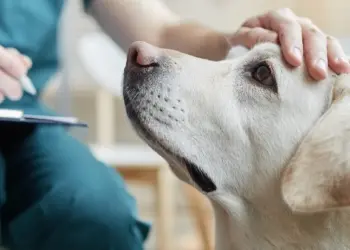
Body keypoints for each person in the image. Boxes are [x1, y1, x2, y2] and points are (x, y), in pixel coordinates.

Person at [0, 1, 348, 250]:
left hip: (19, 119)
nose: (143, 55)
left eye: (260, 74)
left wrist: (243, 39)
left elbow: (160, 29)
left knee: (95, 209)